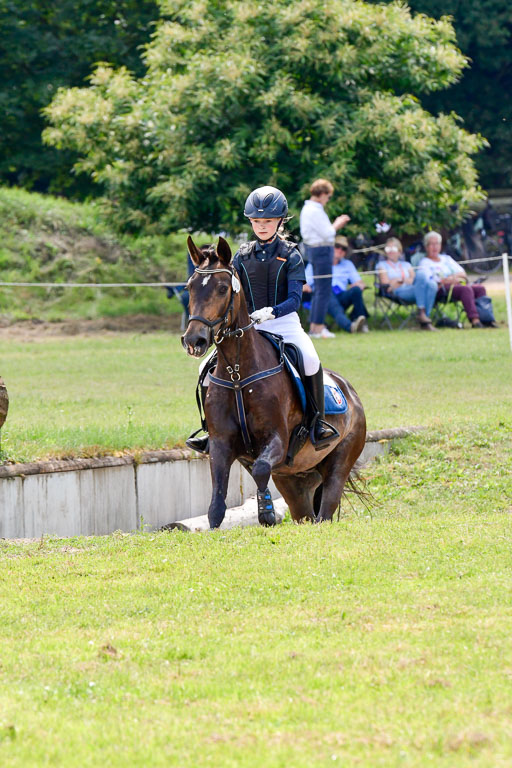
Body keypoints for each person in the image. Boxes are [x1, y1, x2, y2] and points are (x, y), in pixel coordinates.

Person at [187, 185, 340, 460]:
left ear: (279, 221)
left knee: (310, 359)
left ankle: (317, 425)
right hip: (250, 327)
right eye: (256, 221)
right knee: (204, 367)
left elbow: (295, 299)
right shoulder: (242, 256)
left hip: (284, 324)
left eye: (267, 221)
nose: (262, 226)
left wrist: (272, 312)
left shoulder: (292, 253)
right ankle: (209, 430)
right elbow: (230, 293)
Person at [299, 179, 351, 339]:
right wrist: (338, 223)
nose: (328, 200)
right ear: (322, 194)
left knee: (320, 290)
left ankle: (315, 326)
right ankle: (318, 327)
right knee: (323, 290)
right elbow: (328, 233)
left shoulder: (309, 209)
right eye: (328, 196)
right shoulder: (314, 210)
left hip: (317, 250)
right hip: (321, 249)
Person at [418, 231, 497, 328]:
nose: (435, 247)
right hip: (441, 290)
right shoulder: (424, 263)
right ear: (426, 246)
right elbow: (432, 281)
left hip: (457, 285)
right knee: (466, 289)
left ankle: (486, 319)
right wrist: (451, 279)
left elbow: (463, 274)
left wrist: (452, 278)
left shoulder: (446, 258)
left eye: (437, 243)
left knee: (479, 288)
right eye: (432, 244)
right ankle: (474, 320)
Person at [303, 236, 369, 333]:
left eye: (344, 248)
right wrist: (305, 286)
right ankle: (350, 327)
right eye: (337, 246)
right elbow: (303, 283)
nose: (340, 250)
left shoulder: (347, 264)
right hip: (321, 299)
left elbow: (359, 282)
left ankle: (361, 322)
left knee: (356, 290)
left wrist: (359, 285)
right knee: (326, 291)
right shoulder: (317, 263)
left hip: (341, 295)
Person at [377, 237, 438, 330]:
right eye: (388, 249)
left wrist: (399, 280)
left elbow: (415, 280)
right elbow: (386, 284)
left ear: (399, 251)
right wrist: (406, 280)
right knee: (423, 280)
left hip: (414, 289)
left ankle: (424, 317)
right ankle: (423, 317)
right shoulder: (382, 265)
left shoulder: (406, 265)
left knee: (432, 284)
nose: (390, 251)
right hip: (398, 292)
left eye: (393, 249)